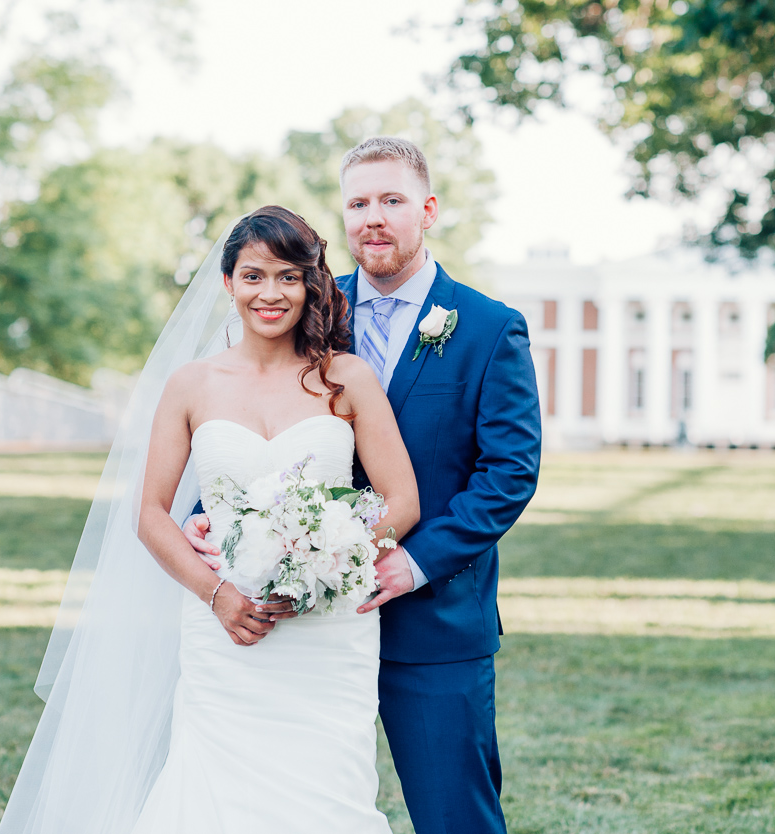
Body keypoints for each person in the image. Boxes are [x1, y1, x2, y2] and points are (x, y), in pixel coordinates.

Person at [0, 206, 418, 834]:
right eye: (253, 276)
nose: (270, 294)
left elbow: (402, 501)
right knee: (215, 787)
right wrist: (216, 595)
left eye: (287, 277)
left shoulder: (346, 378)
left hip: (329, 632)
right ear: (228, 283)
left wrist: (327, 564)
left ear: (310, 285)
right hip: (225, 627)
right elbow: (150, 514)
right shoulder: (191, 384)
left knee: (330, 788)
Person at [186, 137, 542, 834]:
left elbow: (508, 474)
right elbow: (247, 418)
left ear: (428, 210)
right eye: (357, 203)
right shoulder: (303, 307)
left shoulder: (489, 329)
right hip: (301, 627)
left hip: (432, 619)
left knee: (454, 818)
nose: (372, 218)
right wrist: (212, 515)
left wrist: (413, 563)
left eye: (391, 201)